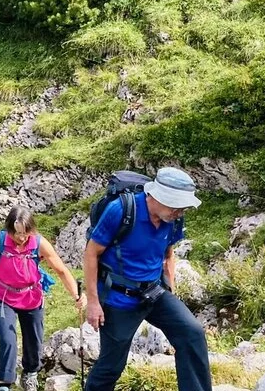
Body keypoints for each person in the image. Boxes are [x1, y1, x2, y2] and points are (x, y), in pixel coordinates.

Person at [83, 167, 211, 391]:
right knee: (111, 366)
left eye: (183, 208)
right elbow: (91, 254)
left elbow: (168, 254)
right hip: (119, 299)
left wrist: (170, 291)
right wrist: (93, 303)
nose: (180, 212)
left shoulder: (172, 219)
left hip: (154, 292)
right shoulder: (121, 210)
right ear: (158, 197)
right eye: (176, 206)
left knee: (192, 334)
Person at [0, 207, 86, 391]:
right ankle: (5, 383)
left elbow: (61, 270)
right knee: (7, 339)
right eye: (17, 233)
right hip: (3, 296)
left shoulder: (39, 243)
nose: (21, 237)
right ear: (9, 229)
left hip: (31, 297)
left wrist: (77, 295)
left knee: (34, 339)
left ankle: (30, 373)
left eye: (25, 233)